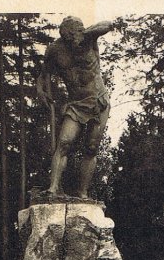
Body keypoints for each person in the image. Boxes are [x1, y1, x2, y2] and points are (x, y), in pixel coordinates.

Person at [36, 16, 115, 199]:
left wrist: (86, 33)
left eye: (74, 38)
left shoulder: (88, 39)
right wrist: (41, 90)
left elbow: (108, 25)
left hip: (98, 101)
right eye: (68, 39)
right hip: (76, 104)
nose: (72, 43)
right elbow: (43, 74)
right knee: (64, 143)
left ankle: (83, 193)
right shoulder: (55, 50)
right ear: (63, 37)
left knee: (91, 147)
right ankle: (53, 189)